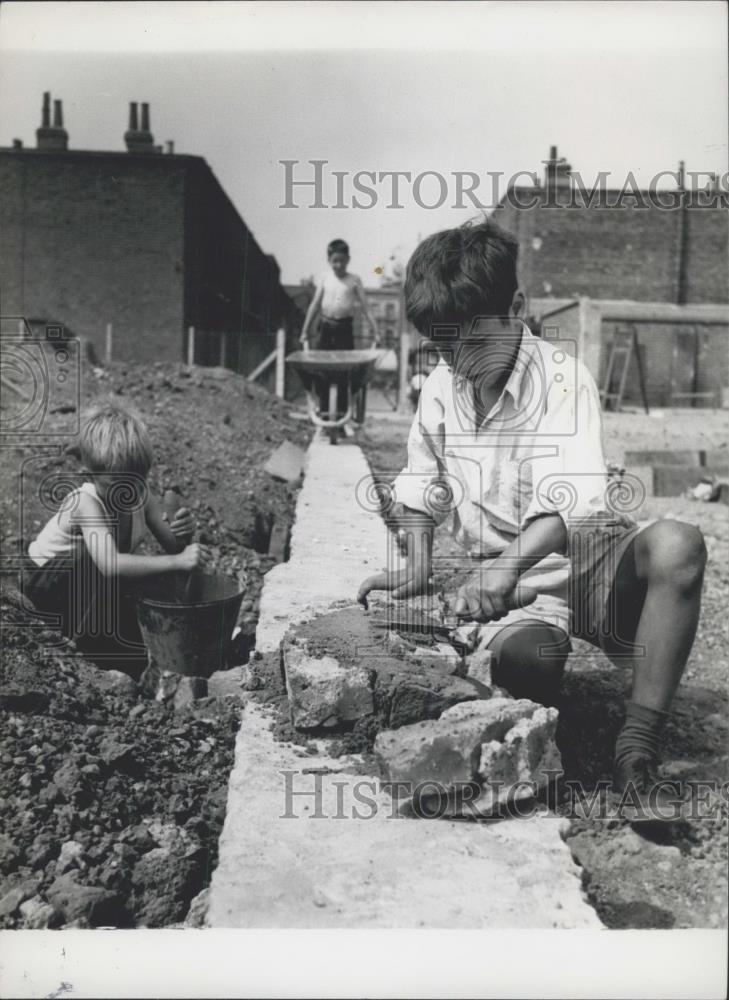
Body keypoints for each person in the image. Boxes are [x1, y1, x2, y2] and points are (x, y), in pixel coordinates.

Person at [358, 220, 707, 820]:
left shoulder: (562, 377)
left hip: (583, 557)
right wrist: (416, 565)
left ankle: (635, 756)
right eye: (445, 350)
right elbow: (421, 480)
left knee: (679, 546)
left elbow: (575, 502)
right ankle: (540, 720)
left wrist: (508, 565)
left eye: (474, 345)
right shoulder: (441, 388)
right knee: (532, 662)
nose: (460, 364)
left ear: (516, 308)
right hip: (509, 585)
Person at [23, 400, 210, 677]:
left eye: (137, 482)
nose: (129, 493)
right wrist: (177, 560)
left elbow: (174, 548)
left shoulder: (141, 496)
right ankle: (79, 651)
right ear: (90, 476)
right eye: (116, 485)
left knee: (151, 576)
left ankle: (131, 654)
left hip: (90, 589)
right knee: (95, 559)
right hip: (46, 587)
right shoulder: (85, 502)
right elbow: (109, 564)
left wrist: (185, 535)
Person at [300, 238, 379, 420]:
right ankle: (324, 411)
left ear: (348, 259)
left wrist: (376, 331)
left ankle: (342, 415)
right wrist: (305, 331)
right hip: (326, 328)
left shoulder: (354, 280)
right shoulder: (325, 278)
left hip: (344, 329)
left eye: (342, 260)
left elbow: (366, 307)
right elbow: (314, 305)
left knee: (344, 371)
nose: (338, 265)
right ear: (329, 260)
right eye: (334, 260)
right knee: (322, 371)